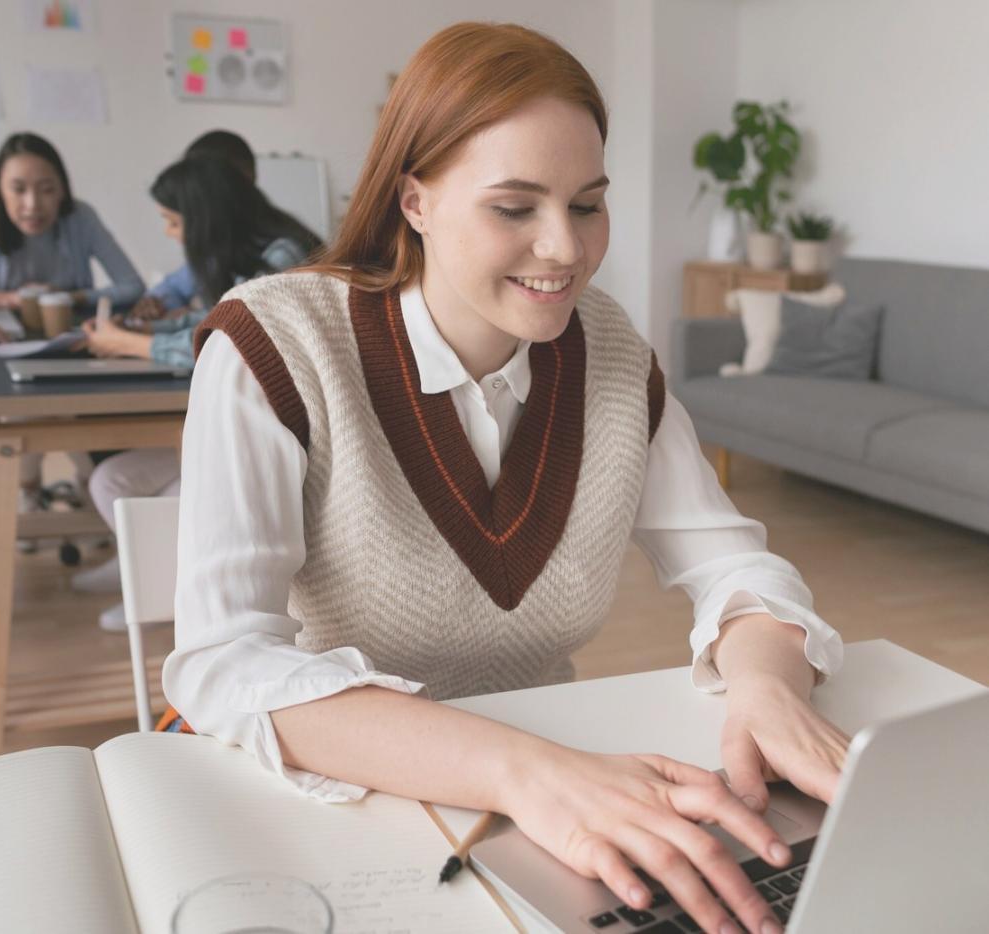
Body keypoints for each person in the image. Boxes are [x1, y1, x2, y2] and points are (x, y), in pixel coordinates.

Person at [164, 23, 849, 934]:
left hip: (560, 795)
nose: (564, 249)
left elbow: (738, 573)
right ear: (415, 200)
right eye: (515, 207)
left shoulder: (607, 353)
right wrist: (524, 771)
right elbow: (222, 663)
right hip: (351, 805)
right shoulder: (276, 345)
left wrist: (767, 683)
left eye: (588, 204)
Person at [71, 155, 321, 630]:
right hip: (243, 431)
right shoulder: (244, 257)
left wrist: (128, 342)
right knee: (109, 479)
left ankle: (162, 586)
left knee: (157, 482)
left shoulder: (282, 259)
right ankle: (144, 572)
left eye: (172, 221)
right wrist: (154, 327)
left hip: (286, 439)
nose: (168, 233)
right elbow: (217, 318)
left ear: (203, 218)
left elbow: (246, 340)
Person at [0, 132, 146, 517]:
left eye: (47, 189)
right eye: (18, 189)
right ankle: (30, 493)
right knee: (25, 412)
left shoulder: (79, 218)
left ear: (62, 190)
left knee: (71, 409)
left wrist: (73, 297)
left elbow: (133, 285)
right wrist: (2, 298)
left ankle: (92, 500)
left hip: (69, 350)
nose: (32, 204)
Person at [133, 129, 259, 321]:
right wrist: (157, 301)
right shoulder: (215, 244)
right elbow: (175, 286)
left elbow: (233, 327)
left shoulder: (265, 249)